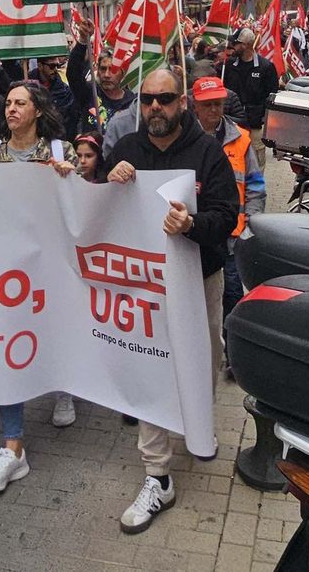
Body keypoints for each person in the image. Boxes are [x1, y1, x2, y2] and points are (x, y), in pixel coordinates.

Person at [103, 67, 240, 534]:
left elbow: (228, 215)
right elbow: (101, 211)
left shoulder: (207, 152)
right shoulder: (126, 150)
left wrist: (192, 226)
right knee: (151, 368)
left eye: (164, 99)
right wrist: (108, 179)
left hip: (199, 280)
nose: (155, 107)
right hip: (144, 286)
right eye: (147, 100)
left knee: (203, 361)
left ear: (182, 103)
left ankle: (196, 424)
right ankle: (157, 474)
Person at [0, 80, 77, 493]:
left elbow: (80, 207)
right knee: (6, 345)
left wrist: (71, 180)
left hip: (48, 264)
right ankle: (12, 446)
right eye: (9, 103)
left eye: (20, 103)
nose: (11, 109)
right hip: (3, 269)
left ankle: (64, 387)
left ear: (38, 110)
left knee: (52, 333)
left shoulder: (60, 152)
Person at [190, 75, 264, 339]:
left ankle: (232, 348)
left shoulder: (240, 139)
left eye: (217, 104)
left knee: (232, 294)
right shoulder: (184, 140)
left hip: (233, 235)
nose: (213, 109)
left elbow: (256, 185)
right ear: (195, 106)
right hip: (198, 235)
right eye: (207, 104)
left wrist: (250, 223)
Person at [219, 27, 278, 162]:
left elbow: (271, 96)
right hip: (231, 123)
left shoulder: (266, 67)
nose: (232, 46)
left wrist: (261, 117)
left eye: (236, 43)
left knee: (256, 160)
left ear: (245, 45)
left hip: (255, 125)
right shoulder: (228, 65)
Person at [68, 20, 135, 134]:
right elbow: (73, 73)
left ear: (123, 73)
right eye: (103, 69)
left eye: (113, 70)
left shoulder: (132, 102)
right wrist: (83, 41)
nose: (107, 75)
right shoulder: (89, 93)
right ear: (97, 71)